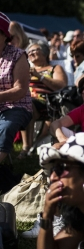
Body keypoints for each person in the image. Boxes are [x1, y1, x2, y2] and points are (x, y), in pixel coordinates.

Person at [19, 41, 67, 157]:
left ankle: (27, 148)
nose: (30, 53)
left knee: (26, 104)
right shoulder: (26, 69)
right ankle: (27, 146)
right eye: (29, 51)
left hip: (48, 102)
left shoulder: (54, 68)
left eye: (34, 50)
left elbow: (61, 85)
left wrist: (39, 76)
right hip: (27, 101)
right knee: (24, 105)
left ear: (45, 53)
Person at [0, 13, 32, 164]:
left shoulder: (18, 55)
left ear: (4, 35)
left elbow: (20, 89)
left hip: (17, 106)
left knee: (6, 127)